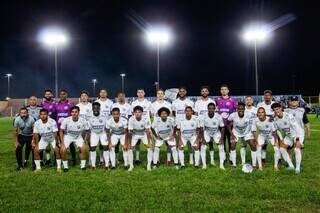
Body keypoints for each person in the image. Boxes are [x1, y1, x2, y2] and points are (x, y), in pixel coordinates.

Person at [272, 102, 301, 173]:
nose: (276, 111)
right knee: (282, 149)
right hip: (288, 136)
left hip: (298, 133)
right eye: (274, 110)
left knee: (297, 149)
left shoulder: (288, 116)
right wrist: (281, 139)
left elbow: (296, 127)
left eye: (277, 109)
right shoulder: (275, 120)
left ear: (281, 108)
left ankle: (298, 168)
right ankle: (291, 166)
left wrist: (297, 139)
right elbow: (277, 130)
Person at [59, 106, 89, 171]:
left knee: (83, 148)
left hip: (78, 136)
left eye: (76, 112)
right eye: (72, 112)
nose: (74, 113)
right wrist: (62, 142)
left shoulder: (83, 120)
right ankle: (65, 167)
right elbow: (61, 131)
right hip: (68, 136)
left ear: (79, 113)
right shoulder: (66, 120)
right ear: (71, 113)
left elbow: (87, 131)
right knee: (63, 149)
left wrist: (84, 140)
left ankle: (83, 166)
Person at [227, 103, 256, 167]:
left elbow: (252, 124)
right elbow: (228, 124)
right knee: (232, 144)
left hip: (246, 132)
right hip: (236, 132)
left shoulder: (249, 115)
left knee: (253, 145)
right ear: (236, 109)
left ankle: (254, 165)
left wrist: (253, 135)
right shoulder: (232, 115)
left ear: (244, 109)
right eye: (239, 109)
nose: (240, 110)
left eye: (242, 109)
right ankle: (234, 165)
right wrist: (231, 134)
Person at [199, 103, 226, 170]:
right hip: (207, 133)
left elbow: (222, 127)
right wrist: (203, 139)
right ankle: (204, 165)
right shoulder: (203, 117)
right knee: (203, 147)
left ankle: (221, 165)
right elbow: (201, 128)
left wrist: (222, 138)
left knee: (221, 147)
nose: (211, 110)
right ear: (207, 109)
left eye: (212, 108)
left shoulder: (219, 117)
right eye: (209, 108)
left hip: (216, 133)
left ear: (215, 109)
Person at [127, 106, 153, 171]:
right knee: (130, 149)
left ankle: (149, 165)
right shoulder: (131, 119)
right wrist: (130, 144)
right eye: (136, 112)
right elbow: (130, 132)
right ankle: (131, 166)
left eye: (139, 112)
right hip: (135, 134)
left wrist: (149, 143)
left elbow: (147, 131)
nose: (137, 113)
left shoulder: (145, 119)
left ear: (142, 113)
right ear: (133, 113)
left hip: (144, 134)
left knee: (150, 148)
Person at [150, 89, 173, 165]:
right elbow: (153, 116)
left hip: (166, 126)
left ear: (164, 95)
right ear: (156, 95)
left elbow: (170, 116)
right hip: (157, 127)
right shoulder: (153, 105)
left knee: (169, 144)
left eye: (161, 93)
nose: (160, 95)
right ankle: (157, 160)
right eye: (158, 93)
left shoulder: (168, 104)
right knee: (157, 144)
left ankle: (169, 160)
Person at [130, 88, 152, 164]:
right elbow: (132, 115)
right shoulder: (133, 103)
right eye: (138, 92)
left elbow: (151, 114)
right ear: (137, 94)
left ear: (144, 93)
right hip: (137, 126)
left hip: (146, 126)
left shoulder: (148, 103)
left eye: (141, 92)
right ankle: (137, 158)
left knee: (149, 143)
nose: (140, 94)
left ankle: (154, 160)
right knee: (137, 143)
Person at [55, 90, 76, 166]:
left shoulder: (70, 104)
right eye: (61, 94)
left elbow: (74, 114)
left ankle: (74, 160)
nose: (62, 95)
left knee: (71, 144)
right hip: (59, 127)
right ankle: (58, 160)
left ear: (66, 95)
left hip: (69, 127)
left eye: (64, 94)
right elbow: (54, 116)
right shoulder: (56, 104)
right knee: (59, 143)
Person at [215, 85, 237, 156]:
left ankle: (231, 156)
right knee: (222, 140)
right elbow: (214, 110)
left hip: (229, 124)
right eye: (222, 89)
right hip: (221, 125)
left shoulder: (233, 100)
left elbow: (236, 111)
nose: (224, 91)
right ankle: (223, 156)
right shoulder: (217, 100)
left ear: (228, 91)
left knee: (230, 140)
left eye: (225, 89)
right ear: (220, 91)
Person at [87, 102, 108, 170]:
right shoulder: (89, 116)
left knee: (105, 147)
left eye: (97, 108)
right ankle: (93, 165)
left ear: (99, 108)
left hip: (102, 133)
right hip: (94, 133)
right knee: (92, 148)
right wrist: (88, 136)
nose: (96, 109)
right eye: (94, 108)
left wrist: (107, 136)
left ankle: (106, 165)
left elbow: (106, 127)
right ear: (92, 108)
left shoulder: (104, 115)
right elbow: (89, 128)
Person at [95, 88, 114, 165]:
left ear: (106, 94)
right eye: (101, 92)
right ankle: (101, 159)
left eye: (104, 92)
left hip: (108, 125)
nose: (103, 94)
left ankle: (110, 158)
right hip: (99, 125)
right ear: (99, 94)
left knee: (108, 142)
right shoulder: (96, 102)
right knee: (101, 143)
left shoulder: (110, 102)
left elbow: (113, 113)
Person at [257, 90, 275, 164]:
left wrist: (272, 117)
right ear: (263, 96)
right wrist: (269, 116)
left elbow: (279, 112)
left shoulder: (274, 104)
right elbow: (258, 114)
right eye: (265, 95)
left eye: (268, 95)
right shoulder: (260, 104)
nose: (267, 97)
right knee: (264, 144)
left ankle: (279, 160)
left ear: (271, 97)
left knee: (276, 143)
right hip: (263, 127)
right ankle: (263, 159)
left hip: (274, 127)